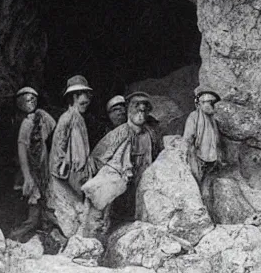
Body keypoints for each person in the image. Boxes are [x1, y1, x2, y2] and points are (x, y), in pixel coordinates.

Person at [81, 91, 162, 239]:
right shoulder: (120, 132)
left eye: (144, 108)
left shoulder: (151, 134)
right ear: (129, 109)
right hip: (121, 188)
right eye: (136, 107)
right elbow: (98, 157)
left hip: (143, 183)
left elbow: (159, 156)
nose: (141, 111)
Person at [46, 75, 96, 239]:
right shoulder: (67, 118)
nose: (87, 101)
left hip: (79, 171)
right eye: (83, 97)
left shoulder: (79, 118)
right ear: (73, 97)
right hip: (69, 172)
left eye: (87, 98)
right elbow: (59, 145)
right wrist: (60, 168)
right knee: (72, 210)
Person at [9, 86, 56, 241]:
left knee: (38, 206)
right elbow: (21, 148)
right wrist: (27, 176)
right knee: (29, 208)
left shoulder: (38, 120)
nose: (31, 102)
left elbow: (53, 124)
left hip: (39, 170)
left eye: (33, 99)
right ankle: (15, 237)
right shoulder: (25, 123)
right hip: (27, 170)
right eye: (27, 99)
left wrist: (41, 113)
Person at [181, 86, 223, 186]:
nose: (213, 105)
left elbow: (216, 141)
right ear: (201, 103)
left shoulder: (213, 120)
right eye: (211, 102)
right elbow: (187, 139)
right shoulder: (194, 117)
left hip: (212, 160)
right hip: (198, 158)